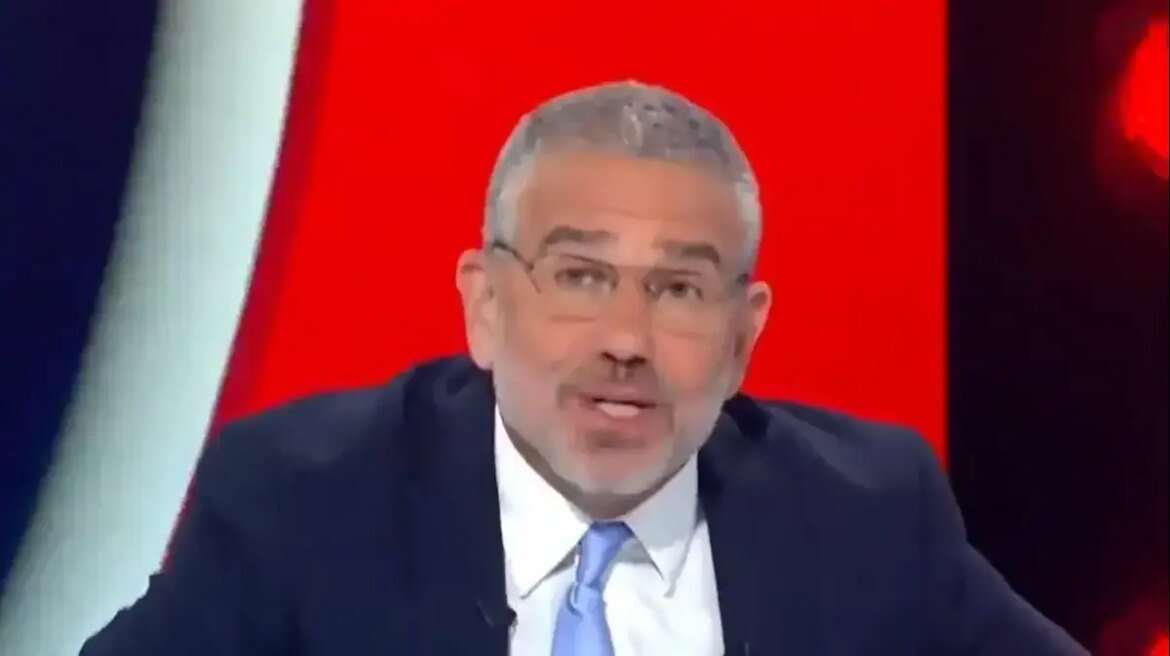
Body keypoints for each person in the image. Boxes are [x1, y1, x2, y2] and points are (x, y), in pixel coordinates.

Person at [81, 81, 1087, 655]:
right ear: (485, 304)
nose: (626, 338)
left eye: (679, 289)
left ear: (744, 336)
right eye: (580, 276)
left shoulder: (865, 517)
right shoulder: (304, 501)